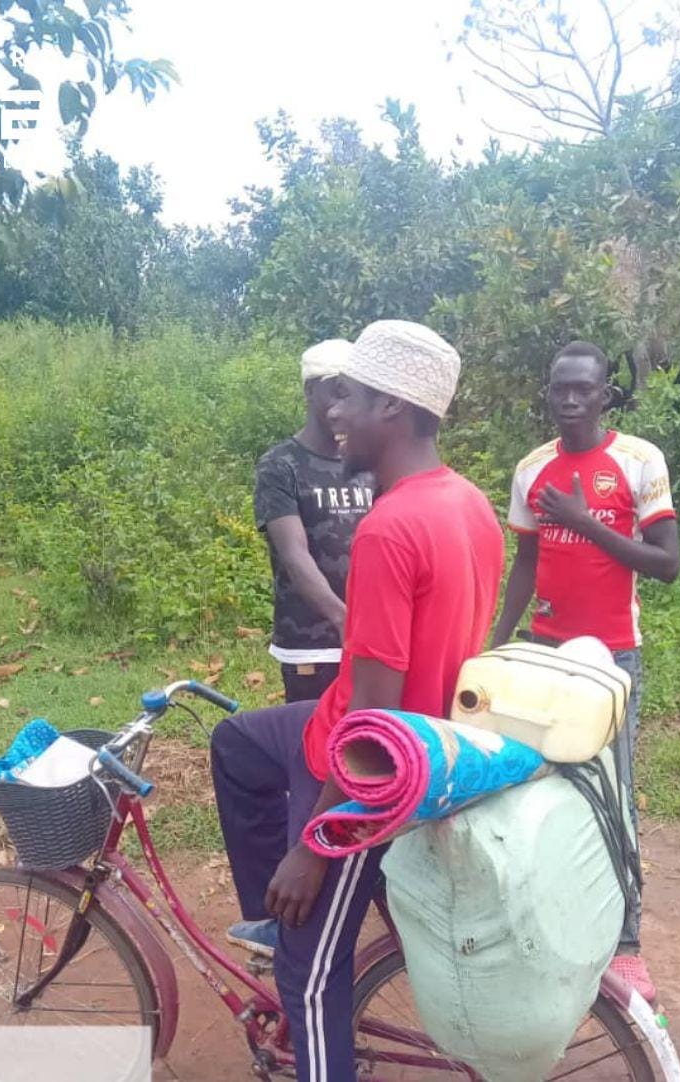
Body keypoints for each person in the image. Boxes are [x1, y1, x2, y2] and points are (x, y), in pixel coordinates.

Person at [212, 320, 505, 1082]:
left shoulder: (389, 530)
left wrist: (313, 848)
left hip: (375, 766)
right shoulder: (469, 501)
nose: (332, 412)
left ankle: (300, 937)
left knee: (308, 985)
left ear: (394, 412)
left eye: (351, 398)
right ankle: (275, 919)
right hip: (410, 730)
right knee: (237, 743)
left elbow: (370, 725)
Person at [490, 339, 680, 1004]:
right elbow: (524, 562)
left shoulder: (637, 460)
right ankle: (548, 928)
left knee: (612, 796)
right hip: (541, 657)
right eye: (557, 389)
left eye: (582, 389)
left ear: (604, 394)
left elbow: (665, 563)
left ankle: (625, 946)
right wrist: (495, 640)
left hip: (610, 661)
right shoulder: (531, 469)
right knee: (537, 797)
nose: (568, 400)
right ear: (547, 393)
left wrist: (583, 521)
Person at [254, 339, 375, 703]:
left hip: (371, 638)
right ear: (310, 390)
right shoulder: (281, 466)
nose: (344, 405)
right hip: (311, 646)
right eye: (336, 391)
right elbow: (294, 555)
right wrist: (344, 620)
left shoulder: (369, 460)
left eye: (352, 393)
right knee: (311, 747)